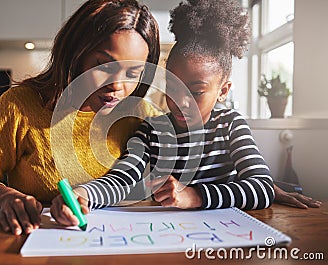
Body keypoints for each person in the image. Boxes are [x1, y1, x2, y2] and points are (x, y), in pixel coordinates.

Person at [51, 0, 321, 227]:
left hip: (225, 236)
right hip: (172, 235)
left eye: (196, 91)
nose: (181, 102)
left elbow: (261, 187)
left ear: (223, 90)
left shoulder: (230, 125)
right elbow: (123, 178)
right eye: (173, 86)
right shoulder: (151, 130)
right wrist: (83, 193)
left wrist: (194, 196)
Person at [0, 0, 160, 235]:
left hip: (116, 242)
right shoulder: (20, 105)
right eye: (103, 66)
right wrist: (6, 197)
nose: (117, 85)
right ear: (76, 54)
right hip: (39, 237)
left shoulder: (142, 115)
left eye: (133, 73)